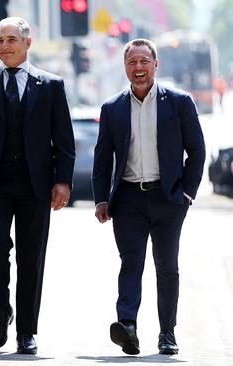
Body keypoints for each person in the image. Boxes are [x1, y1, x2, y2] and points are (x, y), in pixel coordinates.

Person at [0, 17, 75, 354]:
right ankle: (1, 309)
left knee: (31, 257)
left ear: (28, 43)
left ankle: (27, 330)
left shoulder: (51, 86)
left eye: (11, 39)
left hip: (35, 186)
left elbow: (63, 141)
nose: (5, 46)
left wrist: (63, 181)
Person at [92, 38, 205, 356]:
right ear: (125, 67)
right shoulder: (112, 107)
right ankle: (127, 326)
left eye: (144, 61)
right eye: (132, 62)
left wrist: (187, 193)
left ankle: (167, 333)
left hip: (169, 198)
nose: (138, 67)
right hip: (128, 199)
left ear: (156, 65)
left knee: (167, 266)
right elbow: (102, 158)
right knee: (131, 262)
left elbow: (196, 150)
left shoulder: (179, 102)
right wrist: (102, 199)